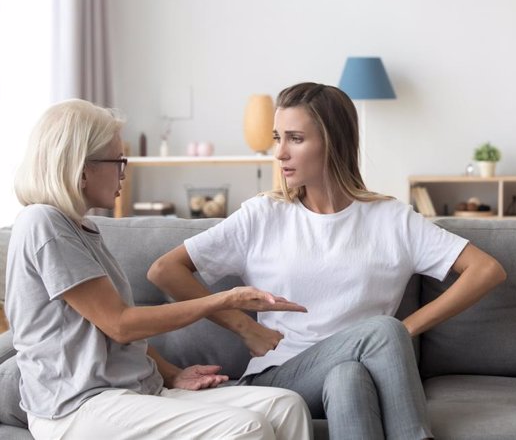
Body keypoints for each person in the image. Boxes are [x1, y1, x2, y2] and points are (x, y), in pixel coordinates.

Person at [148, 82, 507, 439]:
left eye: (295, 139)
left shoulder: (392, 219)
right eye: (277, 138)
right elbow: (165, 270)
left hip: (358, 372)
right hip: (280, 378)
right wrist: (244, 327)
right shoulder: (263, 215)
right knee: (382, 330)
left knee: (348, 374)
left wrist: (403, 331)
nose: (280, 153)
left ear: (332, 142)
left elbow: (486, 270)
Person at [6, 99, 313, 440]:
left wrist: (171, 374)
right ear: (81, 167)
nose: (124, 171)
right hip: (75, 407)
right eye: (117, 160)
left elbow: (110, 334)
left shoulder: (84, 228)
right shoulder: (42, 223)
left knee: (286, 406)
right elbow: (120, 324)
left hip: (133, 394)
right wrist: (223, 300)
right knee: (247, 428)